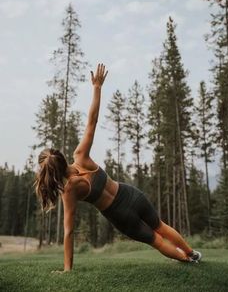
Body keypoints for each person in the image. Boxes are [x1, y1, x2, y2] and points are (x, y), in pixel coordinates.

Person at [35, 63, 201, 273]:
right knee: (160, 225)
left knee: (157, 241)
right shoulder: (81, 156)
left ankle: (187, 261)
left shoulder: (69, 191)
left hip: (120, 214)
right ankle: (191, 252)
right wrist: (97, 87)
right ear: (61, 156)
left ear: (52, 174)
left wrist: (67, 268)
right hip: (131, 194)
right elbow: (92, 122)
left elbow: (68, 232)